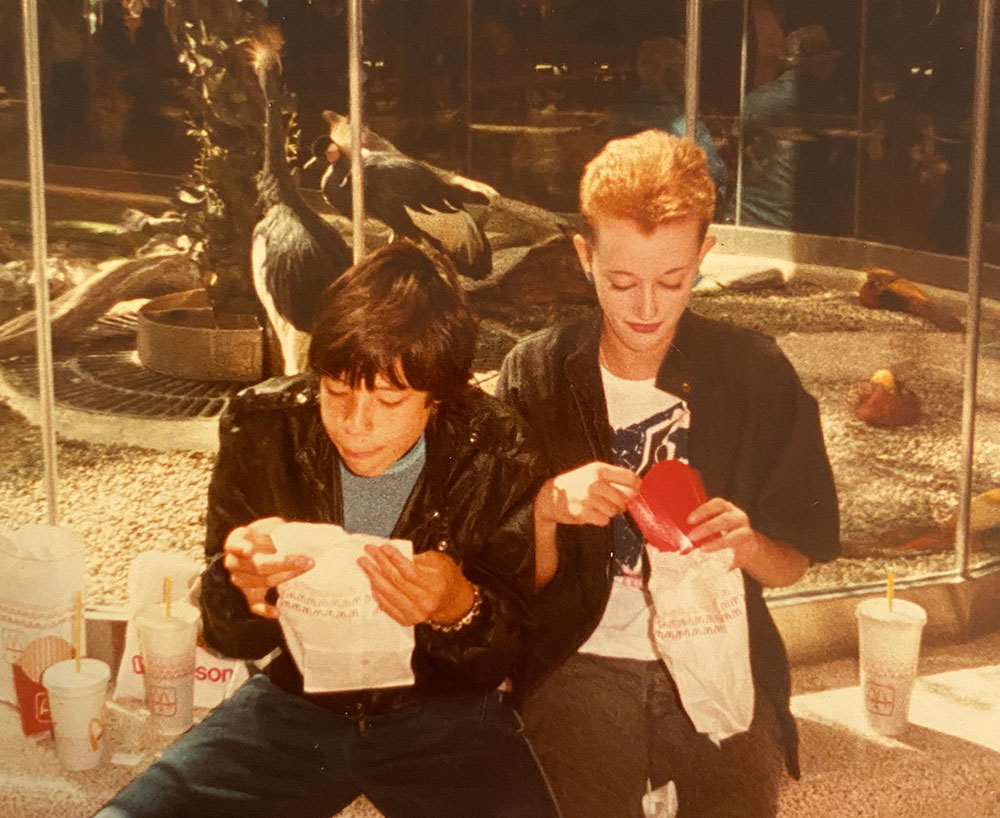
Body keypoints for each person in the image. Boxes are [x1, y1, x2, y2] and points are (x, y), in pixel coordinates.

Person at [95, 240, 560, 818]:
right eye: (336, 391)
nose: (356, 424)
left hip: (442, 711)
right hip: (297, 699)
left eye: (390, 399)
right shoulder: (264, 427)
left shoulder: (493, 445)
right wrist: (237, 583)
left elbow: (511, 650)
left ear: (437, 398)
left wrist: (456, 605)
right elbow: (228, 636)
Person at [496, 129, 840, 818]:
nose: (646, 309)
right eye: (621, 281)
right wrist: (544, 508)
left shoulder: (755, 372)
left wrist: (748, 544)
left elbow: (793, 562)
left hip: (722, 648)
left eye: (673, 281)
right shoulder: (535, 373)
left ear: (704, 257)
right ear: (583, 256)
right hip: (578, 655)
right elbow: (508, 587)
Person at [736, 24, 851, 233]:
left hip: (751, 216)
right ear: (824, 64)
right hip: (807, 223)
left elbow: (736, 146)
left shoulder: (758, 99)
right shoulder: (834, 106)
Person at [607, 36, 729, 210]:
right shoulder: (681, 116)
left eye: (644, 61)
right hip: (670, 209)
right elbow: (713, 172)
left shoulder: (623, 110)